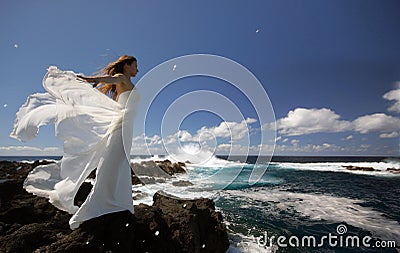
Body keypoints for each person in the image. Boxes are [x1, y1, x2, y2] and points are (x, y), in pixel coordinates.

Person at [10, 55, 140, 229]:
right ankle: (99, 206)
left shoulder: (124, 84)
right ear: (126, 66)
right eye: (135, 66)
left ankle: (119, 203)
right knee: (113, 163)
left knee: (119, 164)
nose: (137, 70)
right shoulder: (121, 78)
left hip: (126, 128)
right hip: (122, 128)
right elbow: (108, 78)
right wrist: (89, 79)